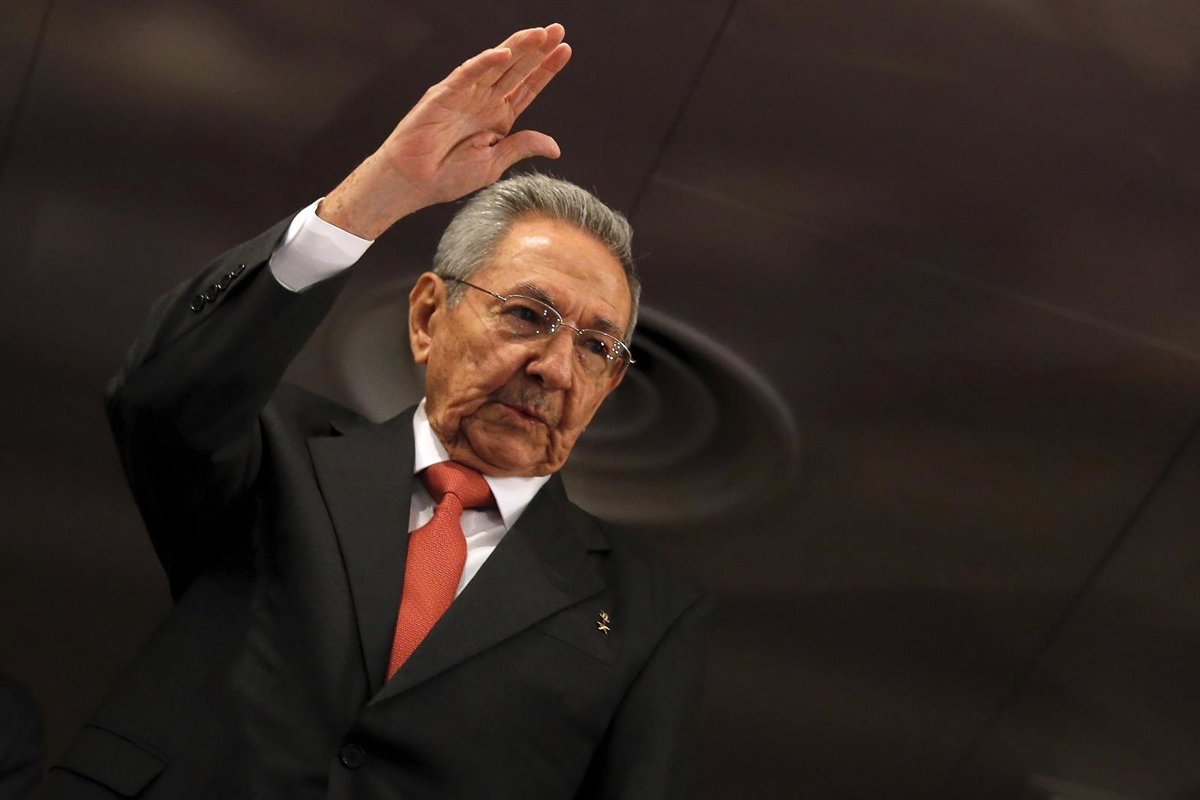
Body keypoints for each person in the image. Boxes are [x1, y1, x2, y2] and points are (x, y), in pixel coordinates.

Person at [46, 24, 713, 800]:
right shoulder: (278, 453)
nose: (554, 368)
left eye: (596, 346)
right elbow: (161, 392)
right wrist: (378, 194)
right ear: (428, 317)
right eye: (528, 315)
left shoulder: (649, 610)